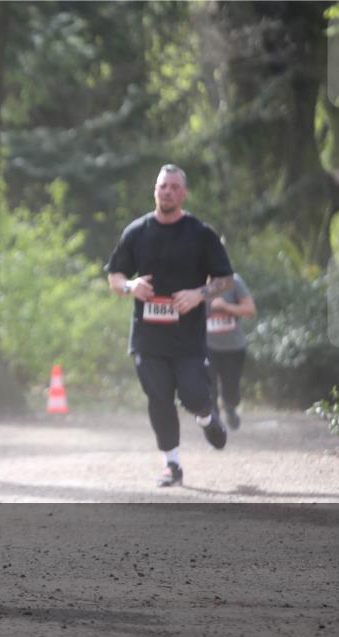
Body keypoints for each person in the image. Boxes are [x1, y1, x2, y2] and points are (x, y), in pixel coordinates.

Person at [105, 164, 235, 487]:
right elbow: (114, 276)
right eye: (163, 186)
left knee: (192, 395)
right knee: (159, 398)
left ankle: (206, 416)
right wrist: (130, 287)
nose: (167, 192)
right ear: (155, 190)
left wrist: (199, 294)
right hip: (148, 337)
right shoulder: (137, 232)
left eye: (174, 187)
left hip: (187, 337)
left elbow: (225, 279)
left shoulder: (200, 233)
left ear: (184, 193)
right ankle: (172, 464)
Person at [206, 273, 257, 430]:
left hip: (233, 347)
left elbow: (250, 310)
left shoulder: (233, 281)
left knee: (231, 391)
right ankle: (214, 425)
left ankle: (230, 407)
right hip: (207, 347)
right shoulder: (196, 281)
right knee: (209, 388)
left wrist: (225, 306)